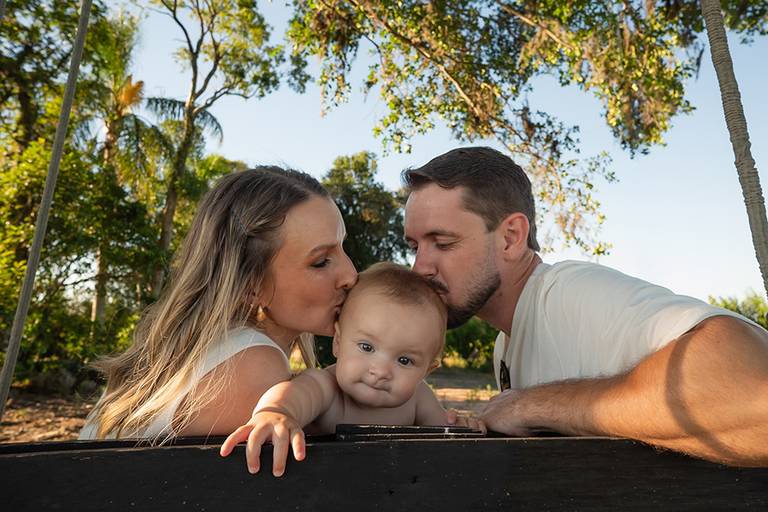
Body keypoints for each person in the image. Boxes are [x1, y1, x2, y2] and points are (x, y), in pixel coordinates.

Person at [402, 146, 768, 466]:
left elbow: (754, 392)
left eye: (443, 243)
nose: (420, 268)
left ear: (511, 238)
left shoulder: (566, 293)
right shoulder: (506, 342)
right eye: (415, 247)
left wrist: (529, 404)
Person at [79, 166, 357, 440]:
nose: (351, 275)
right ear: (251, 286)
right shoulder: (252, 365)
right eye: (321, 261)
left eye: (342, 248)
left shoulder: (196, 350)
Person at [220, 262, 484, 476]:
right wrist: (277, 413)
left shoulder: (418, 398)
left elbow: (446, 439)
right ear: (338, 341)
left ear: (427, 370)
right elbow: (294, 394)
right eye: (367, 347)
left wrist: (461, 426)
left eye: (404, 361)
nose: (380, 370)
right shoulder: (326, 386)